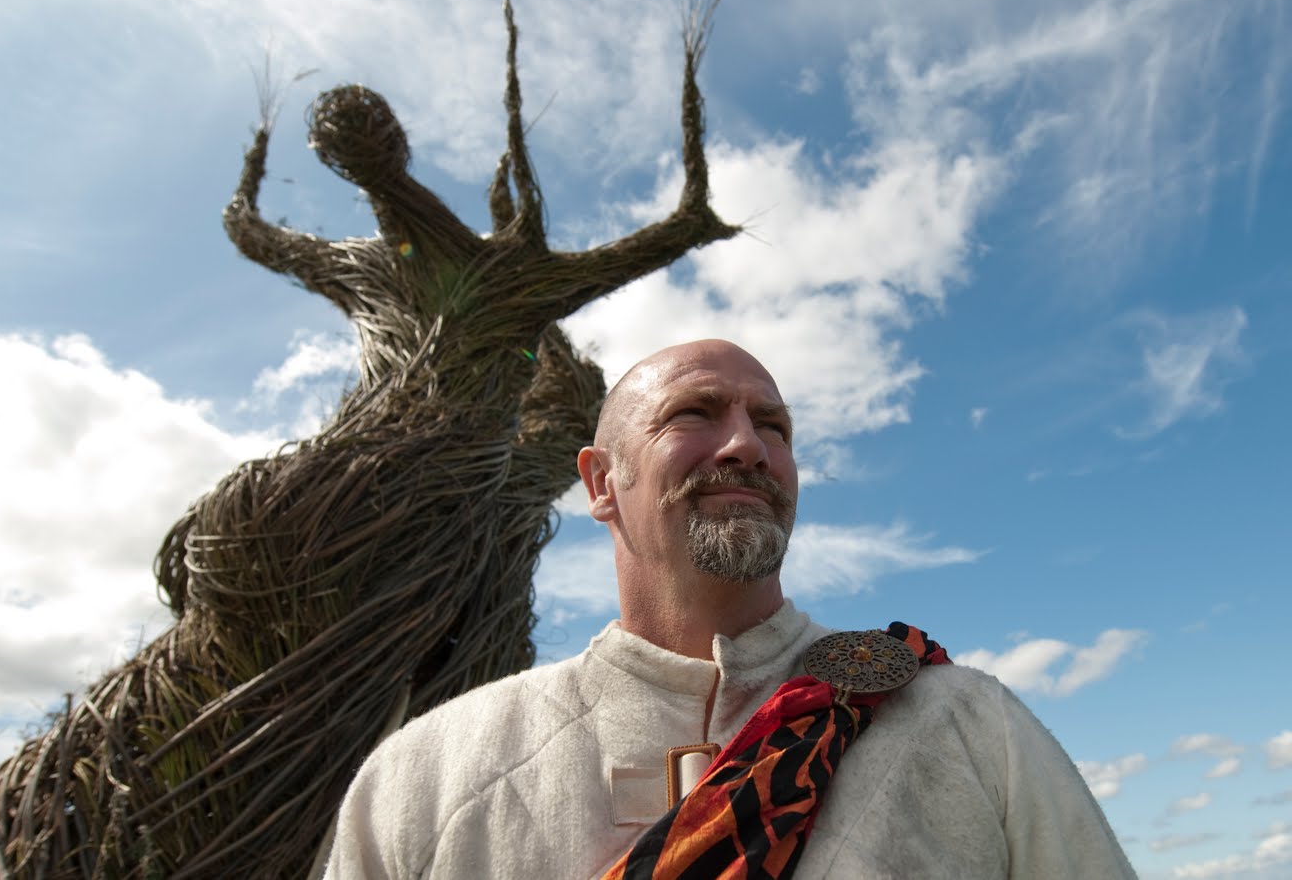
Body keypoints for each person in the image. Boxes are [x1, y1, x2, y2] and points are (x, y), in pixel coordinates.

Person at [320, 339, 1135, 879]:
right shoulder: (423, 779)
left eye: (772, 425)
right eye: (694, 414)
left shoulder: (966, 724)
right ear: (602, 482)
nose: (747, 443)